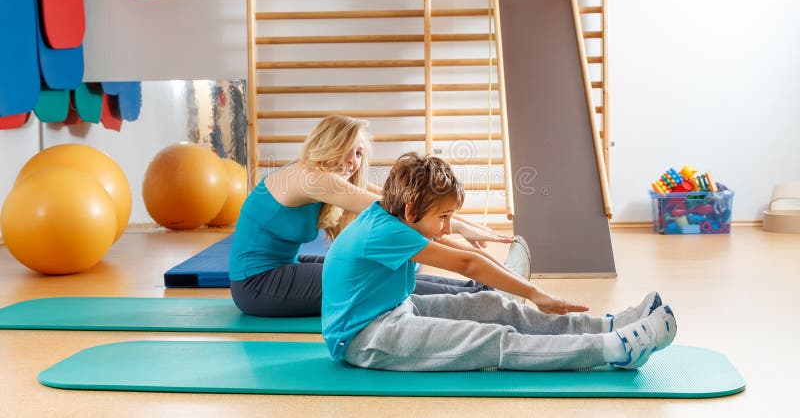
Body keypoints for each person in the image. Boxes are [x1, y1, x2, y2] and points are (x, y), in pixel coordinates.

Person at [322, 153, 677, 371]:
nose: (447, 227)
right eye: (443, 217)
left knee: (491, 305)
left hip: (397, 308)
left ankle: (606, 327)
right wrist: (534, 293)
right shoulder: (384, 233)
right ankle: (613, 349)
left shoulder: (391, 215)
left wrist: (522, 286)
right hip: (365, 337)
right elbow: (467, 265)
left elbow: (472, 257)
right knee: (490, 339)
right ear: (412, 210)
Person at [229, 115, 522, 317]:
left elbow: (399, 201)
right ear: (326, 145)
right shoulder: (311, 178)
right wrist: (461, 229)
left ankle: (481, 289)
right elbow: (401, 211)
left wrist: (469, 225)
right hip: (257, 284)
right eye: (345, 150)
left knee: (387, 268)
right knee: (378, 280)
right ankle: (483, 294)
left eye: (358, 153)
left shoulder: (323, 177)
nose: (352, 162)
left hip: (282, 267)